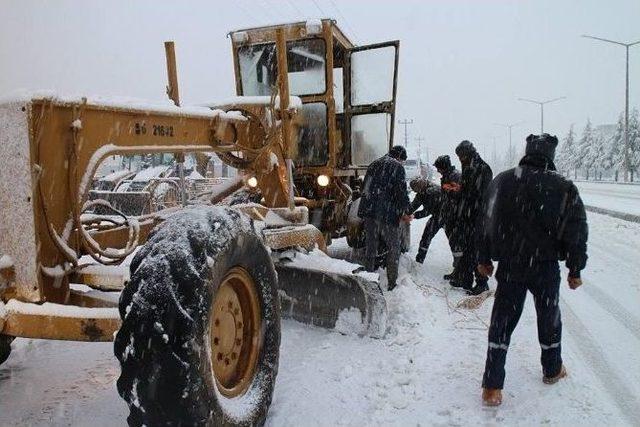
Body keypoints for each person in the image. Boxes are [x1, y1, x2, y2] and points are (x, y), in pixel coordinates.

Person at [476, 134, 588, 407]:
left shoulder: (503, 181)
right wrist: (575, 268)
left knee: (502, 321)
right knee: (549, 317)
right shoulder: (563, 186)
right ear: (550, 155)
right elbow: (576, 230)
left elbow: (485, 220)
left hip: (512, 265)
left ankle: (492, 387)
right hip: (545, 266)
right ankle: (552, 369)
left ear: (527, 152)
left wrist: (483, 257)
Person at [358, 145, 412, 291]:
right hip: (387, 214)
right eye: (403, 161)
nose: (402, 164)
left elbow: (365, 188)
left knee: (371, 247)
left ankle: (368, 281)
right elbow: (401, 192)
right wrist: (407, 211)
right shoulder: (397, 167)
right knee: (393, 248)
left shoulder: (374, 164)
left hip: (369, 212)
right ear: (399, 158)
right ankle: (392, 283)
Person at [452, 140, 493, 295]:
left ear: (468, 153)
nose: (460, 159)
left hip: (477, 216)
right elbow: (466, 190)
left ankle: (482, 283)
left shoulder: (482, 168)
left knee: (477, 250)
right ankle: (466, 279)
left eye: (461, 156)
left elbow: (481, 195)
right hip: (467, 215)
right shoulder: (468, 167)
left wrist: (464, 195)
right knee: (467, 249)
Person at [433, 155, 462, 279]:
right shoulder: (447, 176)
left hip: (455, 216)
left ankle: (459, 272)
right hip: (450, 214)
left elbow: (459, 195)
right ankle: (458, 270)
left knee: (457, 245)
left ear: (443, 167)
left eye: (439, 168)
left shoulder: (454, 176)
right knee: (454, 244)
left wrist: (450, 190)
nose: (438, 171)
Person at [408, 177, 442, 263]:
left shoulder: (433, 191)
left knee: (454, 241)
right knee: (426, 237)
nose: (415, 192)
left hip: (448, 216)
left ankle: (459, 266)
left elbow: (427, 211)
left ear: (420, 187)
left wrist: (413, 215)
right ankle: (419, 260)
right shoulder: (422, 191)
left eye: (416, 190)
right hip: (436, 216)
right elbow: (414, 205)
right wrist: (405, 213)